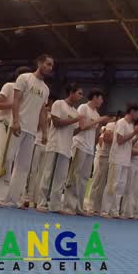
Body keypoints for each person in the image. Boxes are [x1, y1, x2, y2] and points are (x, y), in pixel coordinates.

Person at [0, 54, 52, 208]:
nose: (49, 67)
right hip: (17, 125)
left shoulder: (46, 89)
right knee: (6, 159)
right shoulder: (24, 78)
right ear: (40, 63)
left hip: (31, 131)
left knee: (23, 166)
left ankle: (13, 199)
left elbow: (42, 112)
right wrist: (15, 120)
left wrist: (45, 132)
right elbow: (15, 100)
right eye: (47, 64)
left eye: (51, 65)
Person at [0, 66, 30, 201]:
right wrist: (13, 105)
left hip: (13, 127)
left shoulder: (26, 94)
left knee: (5, 159)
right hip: (2, 125)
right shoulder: (9, 86)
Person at [64, 89, 110, 215]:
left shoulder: (96, 113)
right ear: (95, 97)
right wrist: (98, 121)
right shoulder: (83, 108)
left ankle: (78, 206)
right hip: (80, 144)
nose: (102, 101)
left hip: (90, 148)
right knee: (74, 175)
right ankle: (68, 205)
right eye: (101, 98)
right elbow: (82, 126)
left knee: (84, 177)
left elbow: (95, 132)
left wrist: (94, 143)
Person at [41, 83, 84, 214]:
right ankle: (42, 203)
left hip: (66, 147)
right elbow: (57, 123)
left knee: (60, 178)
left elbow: (73, 132)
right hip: (54, 144)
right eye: (79, 93)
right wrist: (75, 120)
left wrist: (82, 126)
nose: (81, 96)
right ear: (71, 92)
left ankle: (55, 205)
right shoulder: (59, 104)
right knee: (48, 174)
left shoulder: (75, 112)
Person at [101, 104, 138, 218]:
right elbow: (120, 140)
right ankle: (105, 210)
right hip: (117, 158)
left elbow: (129, 143)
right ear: (132, 112)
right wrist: (135, 133)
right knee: (112, 184)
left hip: (125, 159)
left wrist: (137, 135)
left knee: (120, 186)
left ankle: (114, 211)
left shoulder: (130, 125)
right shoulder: (121, 122)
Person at [89, 113, 120, 215]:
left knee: (106, 183)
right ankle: (92, 206)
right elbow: (105, 139)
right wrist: (119, 141)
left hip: (112, 158)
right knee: (98, 181)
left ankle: (99, 206)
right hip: (103, 155)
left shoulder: (119, 128)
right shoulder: (111, 126)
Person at [25, 96, 52, 208]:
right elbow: (36, 127)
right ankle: (28, 197)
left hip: (48, 145)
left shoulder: (55, 114)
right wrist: (44, 119)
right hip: (38, 142)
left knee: (42, 173)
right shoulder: (40, 112)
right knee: (32, 171)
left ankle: (37, 199)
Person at [122, 119, 138, 219]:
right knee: (128, 188)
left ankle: (131, 211)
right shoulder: (133, 133)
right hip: (130, 163)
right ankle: (124, 211)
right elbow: (128, 148)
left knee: (135, 189)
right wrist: (137, 136)